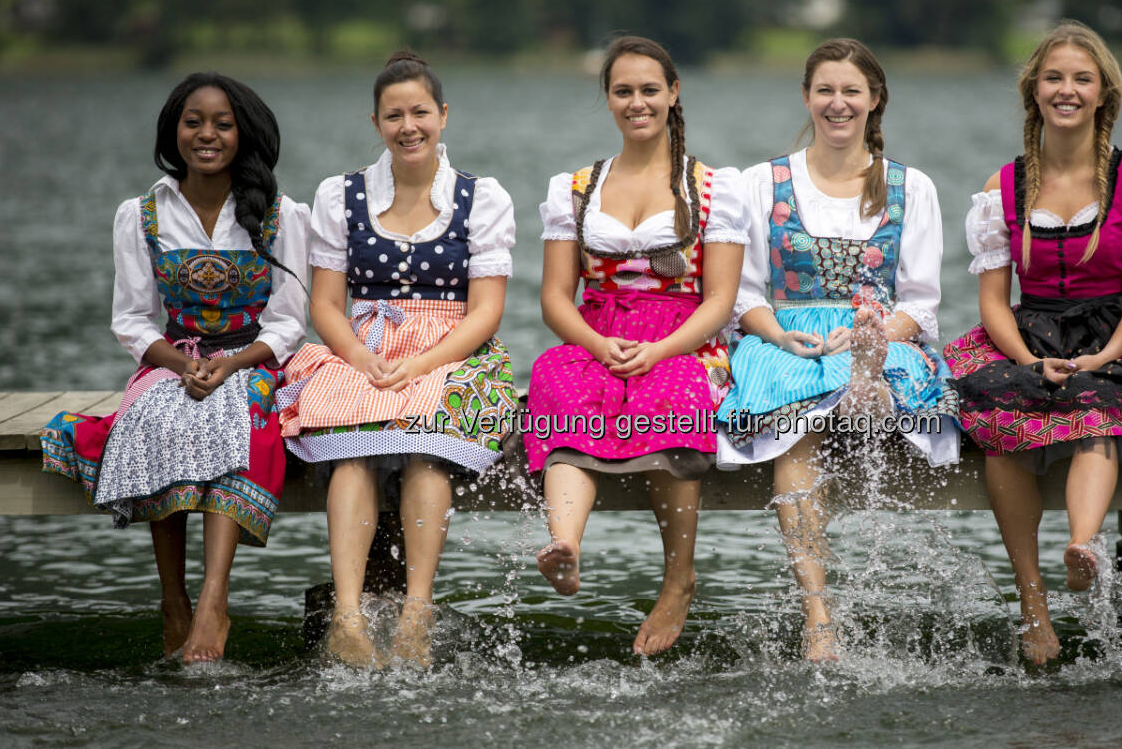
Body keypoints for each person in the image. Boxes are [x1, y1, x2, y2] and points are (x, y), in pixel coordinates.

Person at [943, 20, 1122, 666]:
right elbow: (992, 299)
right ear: (1033, 92)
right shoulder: (1003, 186)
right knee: (998, 423)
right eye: (1054, 78)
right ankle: (1033, 605)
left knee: (1097, 405)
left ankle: (1083, 546)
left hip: (1110, 333)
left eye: (1081, 79)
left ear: (1104, 93)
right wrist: (1025, 361)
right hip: (1027, 332)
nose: (1066, 89)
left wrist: (1103, 357)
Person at [41, 73, 309, 665]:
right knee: (162, 414)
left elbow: (289, 323)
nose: (206, 135)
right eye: (194, 122)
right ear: (173, 130)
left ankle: (215, 599)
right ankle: (173, 600)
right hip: (174, 358)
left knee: (234, 414)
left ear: (244, 134)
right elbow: (133, 320)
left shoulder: (283, 214)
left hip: (251, 358)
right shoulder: (139, 214)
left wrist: (231, 363)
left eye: (222, 123)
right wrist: (185, 365)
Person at [717, 38, 960, 662]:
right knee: (796, 416)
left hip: (878, 332)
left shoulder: (911, 187)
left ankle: (867, 377)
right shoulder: (759, 182)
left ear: (875, 99)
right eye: (825, 90)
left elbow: (921, 303)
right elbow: (741, 293)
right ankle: (818, 611)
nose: (837, 103)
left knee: (870, 364)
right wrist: (777, 334)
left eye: (852, 91)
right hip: (789, 335)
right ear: (806, 96)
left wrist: (868, 335)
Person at [276, 50, 517, 669]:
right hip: (362, 347)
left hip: (452, 350)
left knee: (426, 445)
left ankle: (416, 611)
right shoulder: (342, 194)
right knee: (353, 446)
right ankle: (350, 618)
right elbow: (327, 304)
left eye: (419, 112)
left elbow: (486, 312)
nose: (408, 126)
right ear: (376, 123)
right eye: (393, 115)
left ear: (443, 115)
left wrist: (423, 362)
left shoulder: (481, 198)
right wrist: (359, 354)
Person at [526, 36, 748, 657]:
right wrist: (598, 344)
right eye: (623, 91)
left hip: (682, 335)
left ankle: (678, 579)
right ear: (608, 100)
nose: (637, 102)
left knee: (673, 395)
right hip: (598, 331)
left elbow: (719, 300)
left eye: (650, 89)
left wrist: (658, 350)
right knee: (556, 382)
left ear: (673, 94)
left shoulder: (713, 187)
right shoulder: (572, 187)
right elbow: (553, 298)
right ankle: (565, 542)